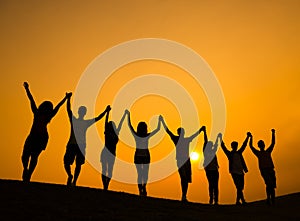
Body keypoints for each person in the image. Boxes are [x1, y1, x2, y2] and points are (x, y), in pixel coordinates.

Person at [22, 82, 69, 182]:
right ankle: (26, 169)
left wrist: (65, 98)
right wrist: (27, 89)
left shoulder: (49, 116)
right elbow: (31, 100)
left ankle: (29, 174)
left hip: (41, 138)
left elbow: (58, 107)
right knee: (25, 156)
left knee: (34, 156)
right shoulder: (36, 112)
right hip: (32, 136)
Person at [63, 93, 110, 186]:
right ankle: (70, 176)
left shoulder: (85, 122)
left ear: (84, 113)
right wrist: (68, 99)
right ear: (79, 112)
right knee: (66, 162)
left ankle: (74, 181)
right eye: (81, 110)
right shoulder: (74, 120)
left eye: (82, 111)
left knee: (78, 164)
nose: (81, 112)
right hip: (72, 144)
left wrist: (106, 111)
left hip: (81, 145)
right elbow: (68, 110)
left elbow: (97, 118)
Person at [161, 117, 204, 202]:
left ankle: (184, 195)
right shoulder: (176, 139)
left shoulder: (186, 140)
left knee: (186, 179)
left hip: (187, 161)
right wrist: (163, 122)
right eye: (181, 132)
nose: (182, 134)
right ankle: (183, 195)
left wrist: (200, 130)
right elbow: (168, 131)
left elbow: (194, 136)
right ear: (179, 133)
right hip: (180, 161)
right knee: (183, 177)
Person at [125, 109, 161, 196]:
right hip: (142, 156)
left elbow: (130, 126)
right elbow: (158, 129)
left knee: (141, 174)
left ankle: (142, 188)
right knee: (143, 174)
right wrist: (160, 121)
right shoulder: (142, 136)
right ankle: (142, 188)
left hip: (141, 156)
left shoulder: (140, 136)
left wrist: (128, 115)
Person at [220, 132, 251, 205]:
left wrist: (247, 137)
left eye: (236, 145)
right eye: (234, 146)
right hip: (234, 172)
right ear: (232, 146)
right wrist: (220, 139)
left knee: (241, 187)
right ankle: (241, 200)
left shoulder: (239, 153)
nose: (235, 147)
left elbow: (244, 145)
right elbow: (223, 147)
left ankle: (238, 201)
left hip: (241, 171)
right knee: (239, 186)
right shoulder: (229, 154)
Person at [100, 108, 126, 190]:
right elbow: (106, 122)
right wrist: (107, 113)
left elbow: (121, 124)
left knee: (109, 171)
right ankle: (105, 186)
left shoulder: (115, 133)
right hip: (106, 153)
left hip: (111, 154)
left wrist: (124, 115)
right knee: (104, 169)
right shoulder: (107, 132)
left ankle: (106, 184)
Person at [249, 129, 276, 205]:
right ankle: (269, 199)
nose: (262, 145)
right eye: (260, 144)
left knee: (272, 185)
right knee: (269, 184)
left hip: (270, 169)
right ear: (259, 146)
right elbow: (251, 146)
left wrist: (273, 134)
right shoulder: (258, 153)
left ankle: (271, 199)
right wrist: (251, 138)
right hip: (264, 170)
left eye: (262, 144)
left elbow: (273, 143)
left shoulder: (267, 151)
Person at [202, 127, 222, 205]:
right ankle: (211, 199)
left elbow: (216, 144)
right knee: (211, 184)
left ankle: (216, 200)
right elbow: (205, 140)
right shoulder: (205, 152)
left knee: (216, 185)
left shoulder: (213, 152)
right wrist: (204, 132)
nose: (211, 146)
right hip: (209, 170)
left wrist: (218, 137)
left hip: (215, 170)